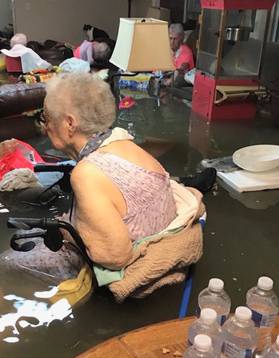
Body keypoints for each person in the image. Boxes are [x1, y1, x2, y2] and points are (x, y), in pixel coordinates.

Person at [41, 73, 178, 270]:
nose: (45, 127)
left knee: (7, 262)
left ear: (70, 124)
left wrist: (69, 230)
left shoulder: (87, 174)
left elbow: (114, 257)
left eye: (46, 118)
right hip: (161, 243)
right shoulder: (123, 142)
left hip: (135, 267)